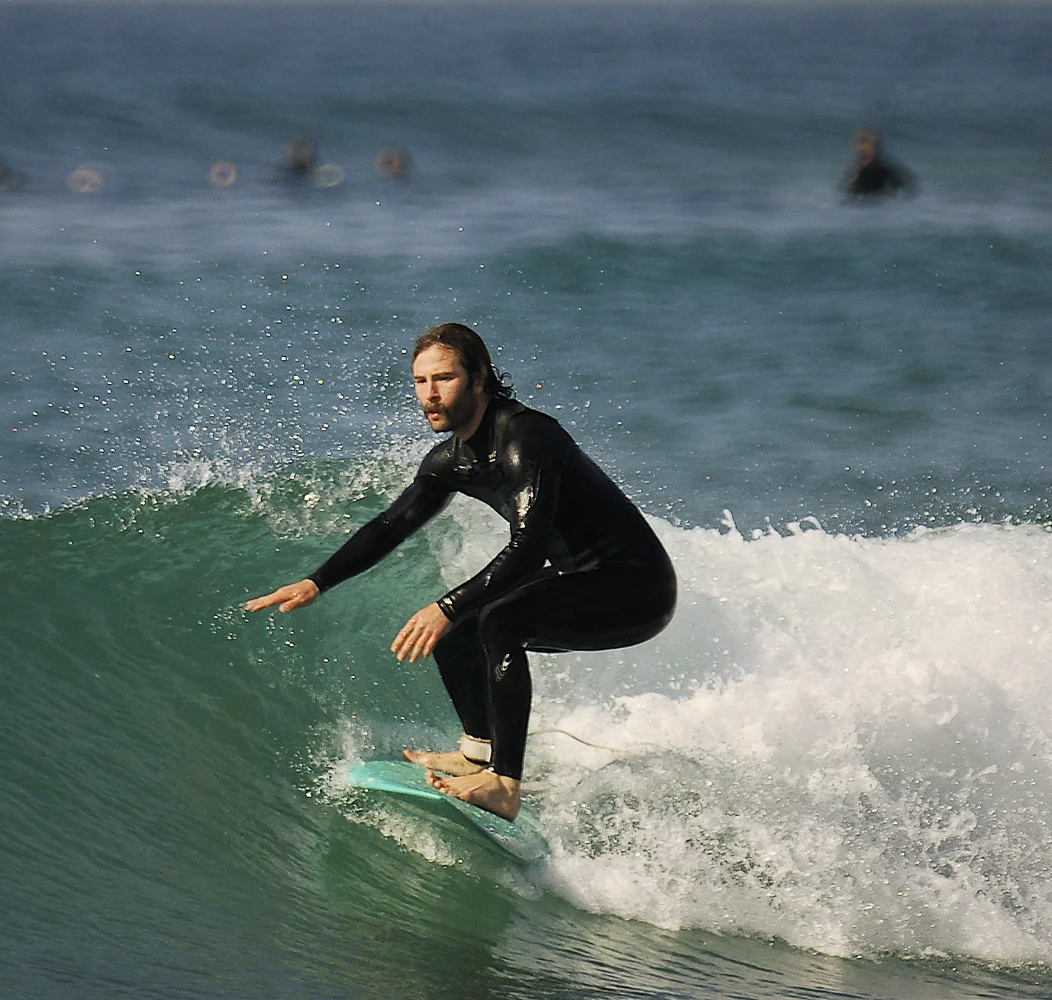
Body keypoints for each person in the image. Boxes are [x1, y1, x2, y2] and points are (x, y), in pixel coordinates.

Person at [246, 324, 677, 820]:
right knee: (461, 628)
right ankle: (478, 755)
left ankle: (505, 786)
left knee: (494, 620)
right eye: (420, 381)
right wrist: (316, 581)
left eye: (444, 378)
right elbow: (392, 524)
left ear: (480, 379)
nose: (430, 394)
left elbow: (528, 548)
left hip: (636, 587)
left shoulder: (526, 436)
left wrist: (446, 605)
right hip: (580, 578)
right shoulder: (452, 460)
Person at [842, 128, 915, 199]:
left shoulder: (887, 171)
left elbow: (905, 187)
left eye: (868, 148)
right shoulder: (855, 173)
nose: (862, 151)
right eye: (861, 151)